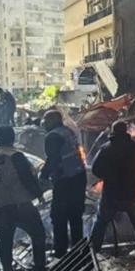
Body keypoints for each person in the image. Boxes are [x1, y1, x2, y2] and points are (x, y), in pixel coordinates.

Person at [0, 126, 47, 271]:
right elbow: (26, 177)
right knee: (38, 234)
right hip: (20, 204)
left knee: (5, 241)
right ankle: (39, 268)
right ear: (12, 138)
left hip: (0, 206)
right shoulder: (15, 155)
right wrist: (38, 193)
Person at [90, 121, 135, 253]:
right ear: (125, 131)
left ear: (113, 132)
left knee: (101, 222)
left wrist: (107, 176)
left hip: (111, 195)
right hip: (132, 193)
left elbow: (95, 169)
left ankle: (92, 251)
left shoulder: (106, 148)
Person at [40, 110, 86, 257]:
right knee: (75, 215)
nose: (44, 123)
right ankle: (79, 250)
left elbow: (53, 159)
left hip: (65, 180)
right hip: (79, 176)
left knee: (58, 216)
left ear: (53, 120)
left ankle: (61, 252)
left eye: (47, 120)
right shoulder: (68, 131)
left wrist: (43, 177)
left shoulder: (53, 136)